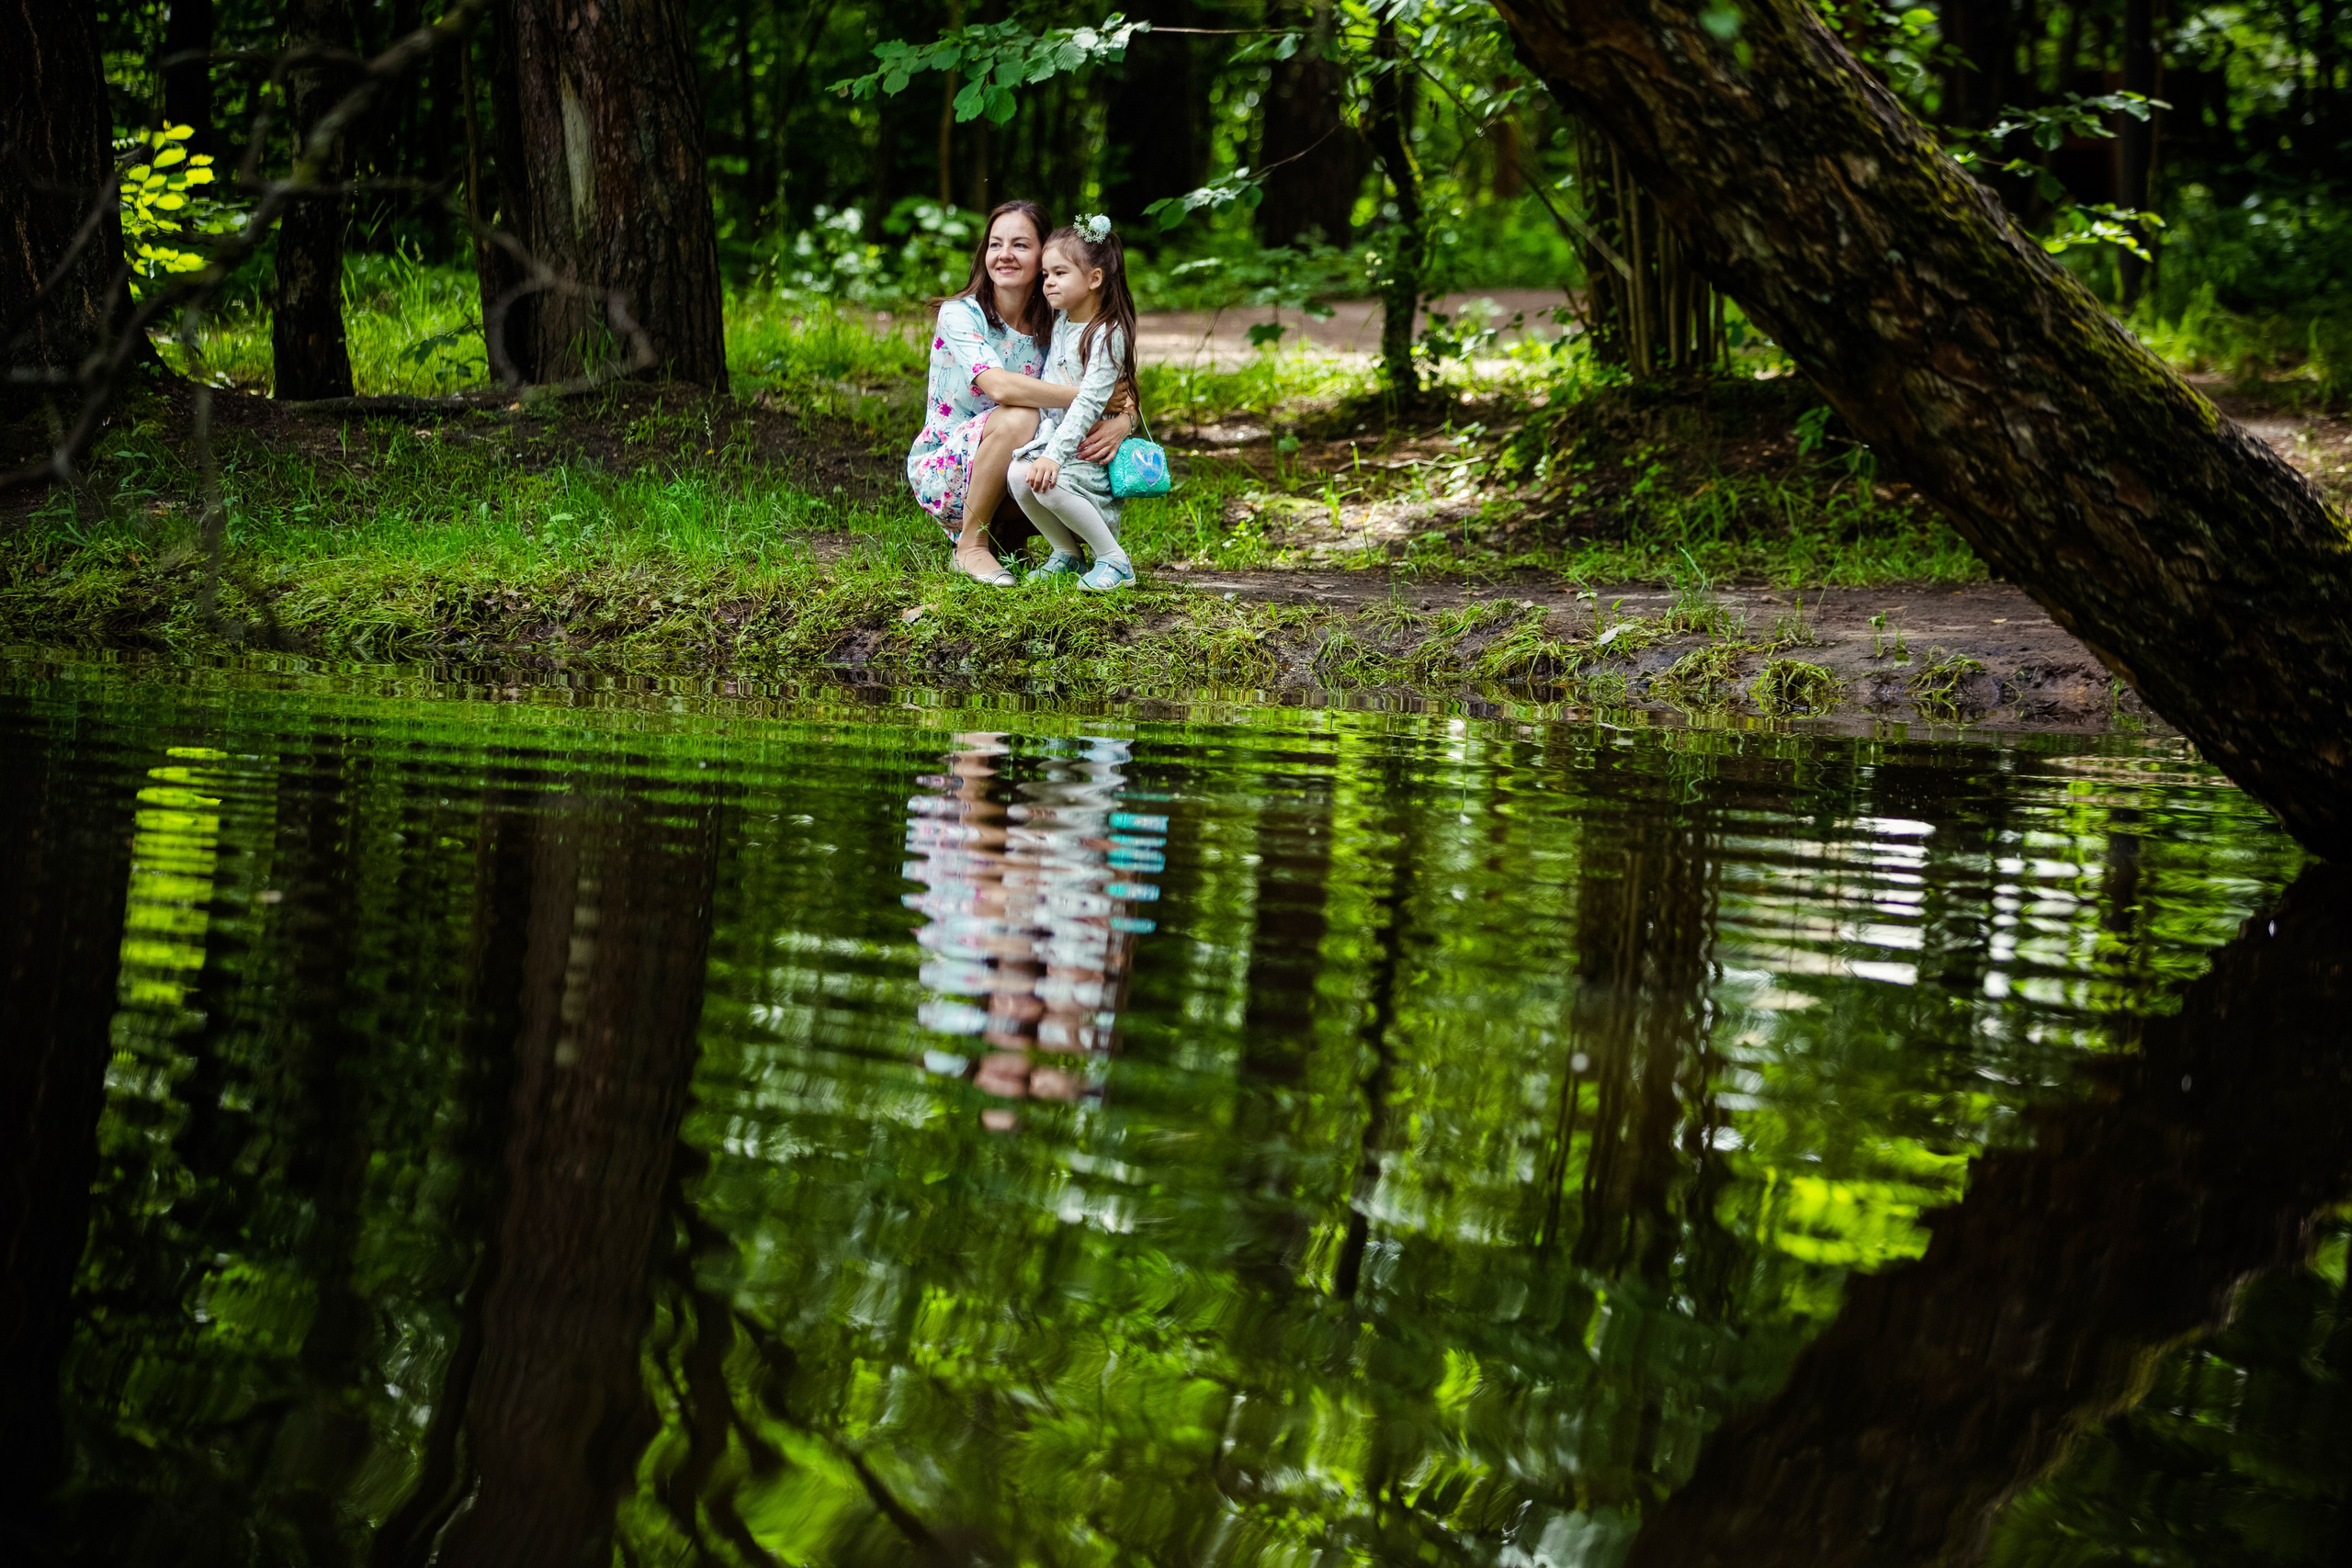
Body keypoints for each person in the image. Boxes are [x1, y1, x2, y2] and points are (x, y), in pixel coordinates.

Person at [906, 200, 1135, 586]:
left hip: (1023, 461)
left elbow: (1116, 377)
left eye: (1020, 245)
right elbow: (998, 385)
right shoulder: (961, 313)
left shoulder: (1059, 317)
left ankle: (1054, 550)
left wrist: (1124, 422)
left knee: (1062, 465)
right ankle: (971, 547)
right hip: (947, 471)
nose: (1005, 255)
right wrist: (1085, 396)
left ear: (1045, 255)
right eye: (995, 245)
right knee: (1021, 414)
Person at [1007, 216, 1140, 592]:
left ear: (1094, 279)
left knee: (1046, 483)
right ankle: (1067, 555)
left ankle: (1115, 560)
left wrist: (1054, 455)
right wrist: (1048, 451)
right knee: (1019, 476)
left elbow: (1086, 405)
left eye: (1059, 273)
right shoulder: (1064, 319)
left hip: (1088, 447)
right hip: (1060, 441)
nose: (1047, 282)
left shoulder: (1107, 333)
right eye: (1046, 273)